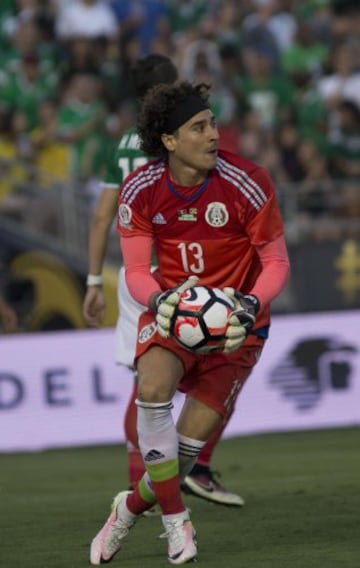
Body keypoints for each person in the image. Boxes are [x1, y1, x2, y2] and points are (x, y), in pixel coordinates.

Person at [90, 80, 290, 565]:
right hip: (174, 313)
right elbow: (136, 271)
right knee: (152, 392)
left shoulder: (248, 181)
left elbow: (277, 261)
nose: (213, 135)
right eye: (198, 127)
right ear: (170, 142)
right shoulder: (140, 188)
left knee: (180, 457)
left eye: (213, 123)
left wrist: (249, 303)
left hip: (239, 327)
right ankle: (178, 525)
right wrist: (159, 301)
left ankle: (128, 509)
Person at [83, 53, 245, 507]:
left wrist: (94, 279)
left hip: (143, 279)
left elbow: (102, 216)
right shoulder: (189, 135)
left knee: (148, 387)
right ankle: (197, 467)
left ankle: (146, 486)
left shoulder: (125, 145)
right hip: (198, 266)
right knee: (221, 369)